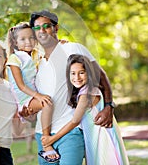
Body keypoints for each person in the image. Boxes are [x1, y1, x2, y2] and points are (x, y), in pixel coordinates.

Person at [26, 10, 114, 164]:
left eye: (46, 26)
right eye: (37, 28)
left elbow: (101, 76)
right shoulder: (37, 62)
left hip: (70, 132)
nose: (42, 31)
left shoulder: (73, 49)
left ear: (56, 27)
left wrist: (109, 105)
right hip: (43, 134)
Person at [41, 54, 129, 164]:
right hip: (93, 135)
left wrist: (51, 139)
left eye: (81, 73)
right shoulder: (83, 90)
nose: (77, 77)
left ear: (89, 73)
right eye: (73, 73)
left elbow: (75, 120)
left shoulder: (88, 93)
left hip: (102, 136)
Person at [6, 22, 59, 162]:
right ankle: (46, 142)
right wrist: (39, 96)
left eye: (31, 38)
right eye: (23, 39)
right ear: (15, 42)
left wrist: (61, 44)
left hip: (34, 93)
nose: (28, 41)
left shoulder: (36, 54)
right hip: (25, 97)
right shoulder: (14, 58)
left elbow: (49, 57)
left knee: (47, 105)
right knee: (47, 103)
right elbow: (21, 85)